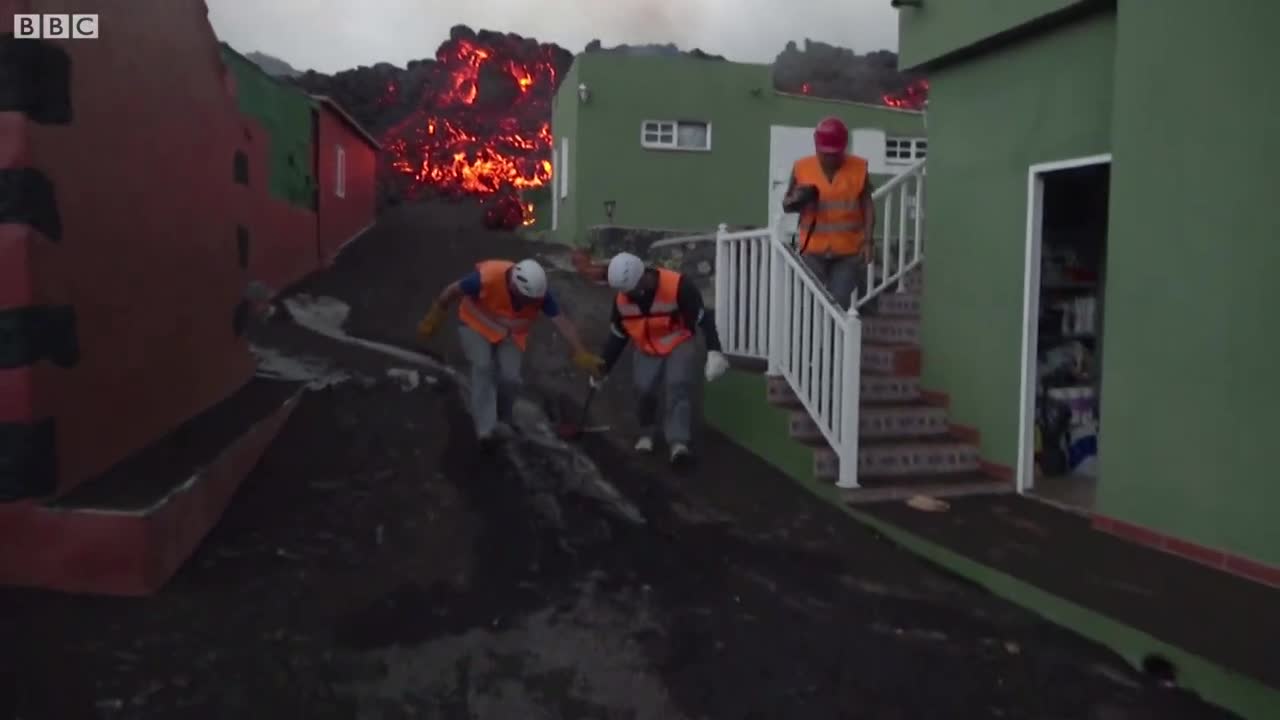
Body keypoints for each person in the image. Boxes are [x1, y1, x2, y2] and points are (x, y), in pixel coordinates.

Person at [417, 258, 604, 447]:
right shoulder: (487, 278)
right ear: (515, 285)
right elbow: (451, 291)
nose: (529, 303)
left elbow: (562, 322)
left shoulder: (539, 293)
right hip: (476, 325)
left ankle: (504, 417)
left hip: (510, 334)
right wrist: (435, 316)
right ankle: (486, 430)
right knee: (483, 367)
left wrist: (581, 352)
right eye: (526, 299)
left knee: (511, 378)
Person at [594, 252, 729, 465]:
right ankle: (646, 433)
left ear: (644, 276)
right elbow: (618, 337)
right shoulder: (622, 299)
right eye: (628, 291)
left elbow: (704, 319)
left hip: (679, 341)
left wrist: (714, 350)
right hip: (646, 346)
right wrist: (603, 368)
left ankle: (678, 442)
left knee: (678, 385)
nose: (633, 295)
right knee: (643, 389)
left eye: (636, 288)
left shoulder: (679, 286)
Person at [781, 116, 877, 311]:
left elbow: (867, 205)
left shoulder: (859, 168)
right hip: (812, 249)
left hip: (848, 251)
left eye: (835, 154)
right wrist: (798, 199)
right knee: (810, 301)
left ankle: (832, 341)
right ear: (816, 146)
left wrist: (868, 242)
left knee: (838, 302)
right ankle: (811, 340)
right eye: (825, 154)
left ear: (844, 148)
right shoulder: (802, 167)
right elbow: (787, 204)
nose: (830, 158)